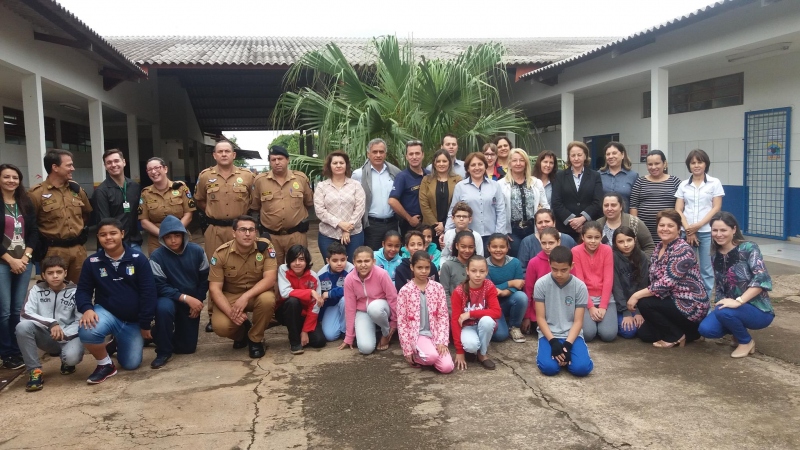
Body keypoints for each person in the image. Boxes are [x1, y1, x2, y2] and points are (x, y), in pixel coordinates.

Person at [77, 218, 157, 384]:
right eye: (103, 235)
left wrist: (145, 323)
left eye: (113, 233)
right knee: (88, 329)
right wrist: (87, 308)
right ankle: (105, 364)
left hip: (133, 321)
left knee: (131, 364)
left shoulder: (138, 259)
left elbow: (148, 293)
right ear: (98, 237)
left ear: (122, 234)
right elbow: (83, 290)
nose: (108, 238)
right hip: (106, 313)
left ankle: (115, 342)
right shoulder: (92, 262)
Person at [194, 139, 256, 333]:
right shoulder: (205, 176)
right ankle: (214, 314)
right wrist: (216, 213)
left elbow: (253, 202)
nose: (223, 154)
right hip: (216, 230)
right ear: (214, 155)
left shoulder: (247, 176)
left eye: (227, 151)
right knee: (216, 270)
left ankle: (247, 308)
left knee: (247, 267)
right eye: (219, 151)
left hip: (241, 229)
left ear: (233, 155)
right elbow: (201, 201)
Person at [626, 209, 709, 348]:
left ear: (679, 229)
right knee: (644, 334)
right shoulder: (659, 247)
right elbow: (653, 278)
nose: (665, 229)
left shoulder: (682, 250)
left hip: (689, 304)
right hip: (669, 301)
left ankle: (675, 336)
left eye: (670, 226)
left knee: (644, 302)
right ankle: (691, 333)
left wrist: (636, 295)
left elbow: (666, 283)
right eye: (662, 225)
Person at [699, 212, 774, 358]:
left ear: (733, 230)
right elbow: (720, 287)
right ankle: (736, 331)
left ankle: (746, 341)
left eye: (723, 230)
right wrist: (720, 305)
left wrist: (738, 301)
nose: (719, 234)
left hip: (758, 309)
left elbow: (762, 279)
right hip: (731, 309)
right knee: (706, 330)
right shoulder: (715, 254)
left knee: (724, 311)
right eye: (715, 230)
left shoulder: (748, 248)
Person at [208, 215, 278, 359]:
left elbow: (270, 279)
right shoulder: (221, 253)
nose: (247, 234)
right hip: (231, 295)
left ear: (256, 232)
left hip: (255, 293)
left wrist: (246, 297)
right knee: (221, 326)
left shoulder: (265, 248)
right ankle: (241, 335)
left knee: (268, 299)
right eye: (242, 230)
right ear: (234, 233)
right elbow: (214, 288)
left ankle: (255, 339)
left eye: (251, 230)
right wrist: (230, 312)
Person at [149, 216, 209, 369]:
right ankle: (163, 351)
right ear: (162, 239)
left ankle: (156, 334)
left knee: (187, 348)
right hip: (169, 299)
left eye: (177, 236)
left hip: (192, 300)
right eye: (168, 237)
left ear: (184, 235)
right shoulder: (156, 256)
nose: (173, 240)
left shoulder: (197, 251)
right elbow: (160, 286)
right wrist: (185, 298)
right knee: (163, 309)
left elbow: (205, 279)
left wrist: (198, 301)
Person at [15, 256, 83, 391]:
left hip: (69, 336)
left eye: (59, 272)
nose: (55, 276)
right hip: (47, 336)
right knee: (22, 327)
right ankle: (34, 371)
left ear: (65, 273)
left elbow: (80, 320)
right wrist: (52, 323)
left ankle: (66, 361)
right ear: (44, 275)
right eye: (50, 273)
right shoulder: (36, 290)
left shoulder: (76, 292)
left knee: (71, 358)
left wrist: (65, 333)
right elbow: (26, 314)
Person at [29, 149, 92, 283]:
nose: (73, 168)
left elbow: (86, 214)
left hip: (78, 251)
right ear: (55, 167)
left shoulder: (76, 190)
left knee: (80, 289)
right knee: (53, 292)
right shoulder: (36, 193)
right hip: (52, 251)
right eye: (69, 165)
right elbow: (30, 224)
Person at [534, 246, 593, 377]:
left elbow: (578, 321)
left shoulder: (580, 286)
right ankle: (555, 356)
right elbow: (540, 318)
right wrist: (553, 342)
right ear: (549, 263)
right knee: (549, 369)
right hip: (548, 334)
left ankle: (571, 358)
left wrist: (568, 344)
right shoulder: (541, 284)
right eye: (554, 269)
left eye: (564, 270)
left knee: (582, 369)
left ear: (572, 266)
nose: (559, 274)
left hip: (572, 335)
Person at [250, 146, 313, 266]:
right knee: (272, 271)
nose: (277, 162)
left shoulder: (300, 178)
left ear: (288, 160)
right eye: (273, 160)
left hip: (296, 235)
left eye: (280, 158)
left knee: (298, 269)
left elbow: (308, 203)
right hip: (271, 237)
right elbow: (256, 206)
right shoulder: (260, 181)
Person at [1, 164, 37, 370]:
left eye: (15, 177)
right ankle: (7, 353)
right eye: (6, 177)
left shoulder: (25, 202)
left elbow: (33, 231)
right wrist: (10, 260)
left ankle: (18, 349)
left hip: (24, 261)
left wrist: (25, 257)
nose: (11, 181)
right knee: (4, 311)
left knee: (17, 309)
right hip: (3, 263)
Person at [675, 149, 724, 296]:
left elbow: (716, 207)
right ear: (689, 165)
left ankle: (705, 304)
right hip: (686, 233)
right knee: (685, 267)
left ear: (706, 164)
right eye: (693, 162)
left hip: (707, 233)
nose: (696, 165)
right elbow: (678, 209)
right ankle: (687, 301)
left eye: (699, 162)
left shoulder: (714, 183)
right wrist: (689, 229)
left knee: (707, 270)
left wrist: (698, 226)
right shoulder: (683, 184)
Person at [396, 251, 454, 373]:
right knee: (431, 356)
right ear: (412, 267)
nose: (423, 271)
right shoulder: (405, 291)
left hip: (435, 334)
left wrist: (442, 341)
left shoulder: (437, 288)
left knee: (447, 367)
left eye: (427, 267)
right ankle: (419, 356)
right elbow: (402, 322)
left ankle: (430, 355)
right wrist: (407, 349)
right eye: (419, 268)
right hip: (417, 335)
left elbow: (443, 316)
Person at [340, 246, 397, 354]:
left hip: (382, 308)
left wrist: (394, 323)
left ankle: (386, 333)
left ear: (373, 261)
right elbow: (350, 308)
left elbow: (393, 298)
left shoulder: (382, 274)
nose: (363, 265)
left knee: (374, 308)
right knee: (365, 348)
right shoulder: (349, 279)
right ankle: (374, 332)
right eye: (359, 261)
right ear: (354, 262)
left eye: (367, 261)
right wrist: (349, 336)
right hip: (363, 311)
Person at [445, 152, 508, 251]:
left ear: (485, 166)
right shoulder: (460, 187)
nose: (477, 168)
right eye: (473, 165)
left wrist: (498, 235)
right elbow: (453, 211)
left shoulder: (495, 186)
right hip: (468, 237)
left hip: (491, 236)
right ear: (468, 169)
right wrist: (447, 233)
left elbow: (501, 211)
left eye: (480, 164)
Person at [451, 255, 501, 370]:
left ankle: (482, 354)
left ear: (487, 271)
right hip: (467, 327)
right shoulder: (459, 291)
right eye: (474, 271)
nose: (478, 275)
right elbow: (455, 320)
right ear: (467, 271)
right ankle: (472, 349)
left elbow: (497, 312)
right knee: (471, 346)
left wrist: (471, 314)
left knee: (487, 321)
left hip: (483, 325)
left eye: (482, 271)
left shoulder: (489, 286)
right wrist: (459, 351)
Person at [314, 151, 366, 261]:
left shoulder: (356, 185)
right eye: (335, 163)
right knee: (332, 267)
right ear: (329, 166)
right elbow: (320, 211)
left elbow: (360, 208)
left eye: (341, 163)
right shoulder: (321, 186)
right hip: (328, 235)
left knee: (353, 268)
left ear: (346, 165)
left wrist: (348, 229)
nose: (338, 165)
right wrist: (340, 224)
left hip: (354, 234)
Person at [353, 138, 401, 250]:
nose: (378, 155)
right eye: (375, 152)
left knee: (393, 255)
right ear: (368, 154)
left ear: (385, 154)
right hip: (372, 225)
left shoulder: (395, 172)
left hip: (392, 223)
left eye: (381, 152)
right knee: (372, 256)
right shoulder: (359, 174)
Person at [139, 157, 195, 254]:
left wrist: (175, 233)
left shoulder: (181, 188)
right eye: (150, 169)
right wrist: (164, 234)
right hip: (157, 241)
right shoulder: (145, 193)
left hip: (180, 238)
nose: (153, 171)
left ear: (165, 169)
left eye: (157, 168)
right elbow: (144, 221)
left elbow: (188, 215)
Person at [276, 245, 326, 354]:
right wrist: (310, 292)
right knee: (293, 301)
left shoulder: (313, 277)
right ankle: (294, 342)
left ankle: (299, 331)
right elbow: (285, 293)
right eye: (293, 259)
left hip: (305, 314)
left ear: (307, 261)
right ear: (288, 261)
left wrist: (305, 331)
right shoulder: (283, 269)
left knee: (319, 341)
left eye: (301, 259)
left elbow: (315, 307)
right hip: (286, 311)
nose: (297, 263)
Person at [571, 221, 616, 342]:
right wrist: (590, 307)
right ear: (583, 237)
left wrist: (603, 306)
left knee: (608, 335)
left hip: (605, 297)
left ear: (601, 237)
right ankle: (592, 323)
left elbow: (608, 279)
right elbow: (579, 282)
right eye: (589, 237)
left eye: (597, 237)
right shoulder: (576, 251)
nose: (593, 241)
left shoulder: (607, 250)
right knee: (587, 334)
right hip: (584, 298)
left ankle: (600, 324)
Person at [500, 148, 549, 257]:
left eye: (521, 160)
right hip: (512, 230)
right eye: (514, 160)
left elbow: (545, 206)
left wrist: (546, 225)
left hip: (533, 228)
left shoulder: (536, 182)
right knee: (517, 259)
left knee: (535, 257)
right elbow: (498, 210)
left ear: (526, 163)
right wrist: (502, 232)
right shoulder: (500, 185)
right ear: (509, 163)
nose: (518, 163)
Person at [91, 149, 143, 252]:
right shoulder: (101, 192)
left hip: (134, 243)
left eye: (116, 161)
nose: (113, 165)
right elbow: (104, 223)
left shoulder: (135, 187)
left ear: (123, 162)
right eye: (109, 163)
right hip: (112, 246)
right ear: (105, 166)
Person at [551, 141, 604, 242]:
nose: (576, 158)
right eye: (573, 155)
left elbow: (598, 201)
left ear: (585, 156)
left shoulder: (595, 176)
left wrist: (582, 219)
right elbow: (556, 202)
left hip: (589, 228)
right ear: (569, 157)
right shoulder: (560, 176)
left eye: (579, 155)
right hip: (565, 228)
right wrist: (573, 221)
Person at [629, 150, 681, 245]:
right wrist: (634, 230)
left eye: (657, 163)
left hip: (668, 232)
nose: (653, 167)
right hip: (644, 233)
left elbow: (681, 207)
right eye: (650, 164)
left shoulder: (675, 181)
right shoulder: (640, 182)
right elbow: (633, 207)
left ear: (664, 163)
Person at [486, 234, 527, 343]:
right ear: (488, 248)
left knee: (521, 297)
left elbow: (519, 285)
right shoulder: (484, 265)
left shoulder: (515, 263)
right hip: (491, 305)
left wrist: (504, 292)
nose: (498, 250)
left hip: (508, 301)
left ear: (508, 247)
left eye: (502, 247)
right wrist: (510, 282)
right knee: (500, 336)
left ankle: (514, 326)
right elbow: (488, 289)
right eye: (494, 247)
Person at [612, 226, 649, 339]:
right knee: (629, 332)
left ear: (635, 240)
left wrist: (638, 311)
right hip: (619, 304)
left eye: (629, 240)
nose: (626, 244)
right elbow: (616, 287)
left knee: (643, 330)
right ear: (615, 243)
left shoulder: (642, 256)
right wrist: (625, 312)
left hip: (636, 303)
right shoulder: (613, 257)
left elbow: (643, 285)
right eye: (621, 242)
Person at [522, 227, 561, 334]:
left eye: (551, 243)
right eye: (544, 243)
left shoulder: (565, 260)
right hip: (540, 310)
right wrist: (527, 316)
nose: (547, 247)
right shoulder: (534, 262)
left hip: (560, 307)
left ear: (558, 242)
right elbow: (528, 290)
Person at [389, 140, 429, 237]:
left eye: (417, 153)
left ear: (422, 155)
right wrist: (409, 219)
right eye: (411, 154)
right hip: (410, 226)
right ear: (406, 157)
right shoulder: (402, 177)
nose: (414, 157)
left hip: (428, 225)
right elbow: (392, 201)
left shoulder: (429, 175)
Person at [419, 149, 462, 239]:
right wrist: (436, 225)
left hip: (451, 227)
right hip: (430, 229)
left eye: (444, 161)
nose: (441, 164)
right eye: (438, 161)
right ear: (434, 164)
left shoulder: (458, 180)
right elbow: (424, 204)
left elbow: (459, 204)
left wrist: (445, 224)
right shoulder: (426, 180)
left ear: (449, 163)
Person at [597, 192, 655, 258]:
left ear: (621, 207)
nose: (609, 209)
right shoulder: (597, 225)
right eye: (606, 205)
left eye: (613, 205)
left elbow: (650, 247)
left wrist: (641, 264)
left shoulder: (634, 222)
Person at [317, 242, 353, 342]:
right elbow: (319, 297)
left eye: (343, 260)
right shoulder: (321, 274)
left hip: (349, 304)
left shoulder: (352, 270)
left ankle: (345, 331)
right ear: (327, 260)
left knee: (345, 300)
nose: (339, 263)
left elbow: (354, 289)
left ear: (347, 258)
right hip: (331, 305)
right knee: (330, 336)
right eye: (335, 260)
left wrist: (330, 293)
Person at [598, 142, 638, 211]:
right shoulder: (598, 175)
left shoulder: (633, 176)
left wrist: (632, 220)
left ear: (622, 155)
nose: (610, 156)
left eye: (614, 153)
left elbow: (634, 203)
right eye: (608, 154)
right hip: (602, 219)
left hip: (625, 219)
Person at [440, 230, 476, 303]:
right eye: (463, 247)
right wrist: (453, 312)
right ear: (457, 246)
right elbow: (444, 293)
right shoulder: (447, 266)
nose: (467, 250)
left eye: (471, 247)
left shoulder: (477, 264)